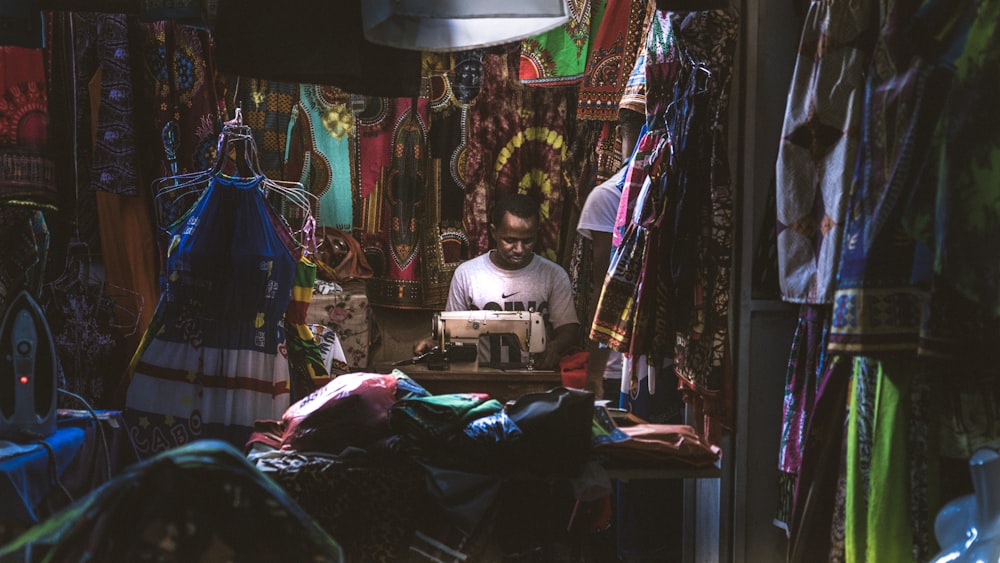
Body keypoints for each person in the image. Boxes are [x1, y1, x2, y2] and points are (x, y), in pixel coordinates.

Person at [414, 193, 579, 370]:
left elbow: (568, 329)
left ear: (537, 234)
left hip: (535, 377)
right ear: (493, 232)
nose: (519, 249)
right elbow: (452, 329)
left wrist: (554, 347)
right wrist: (432, 343)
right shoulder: (467, 275)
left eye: (528, 241)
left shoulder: (553, 275)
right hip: (479, 377)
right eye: (510, 240)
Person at [577, 107, 645, 403]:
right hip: (620, 358)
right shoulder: (609, 197)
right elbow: (603, 286)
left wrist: (593, 373)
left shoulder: (607, 196)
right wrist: (595, 372)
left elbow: (600, 288)